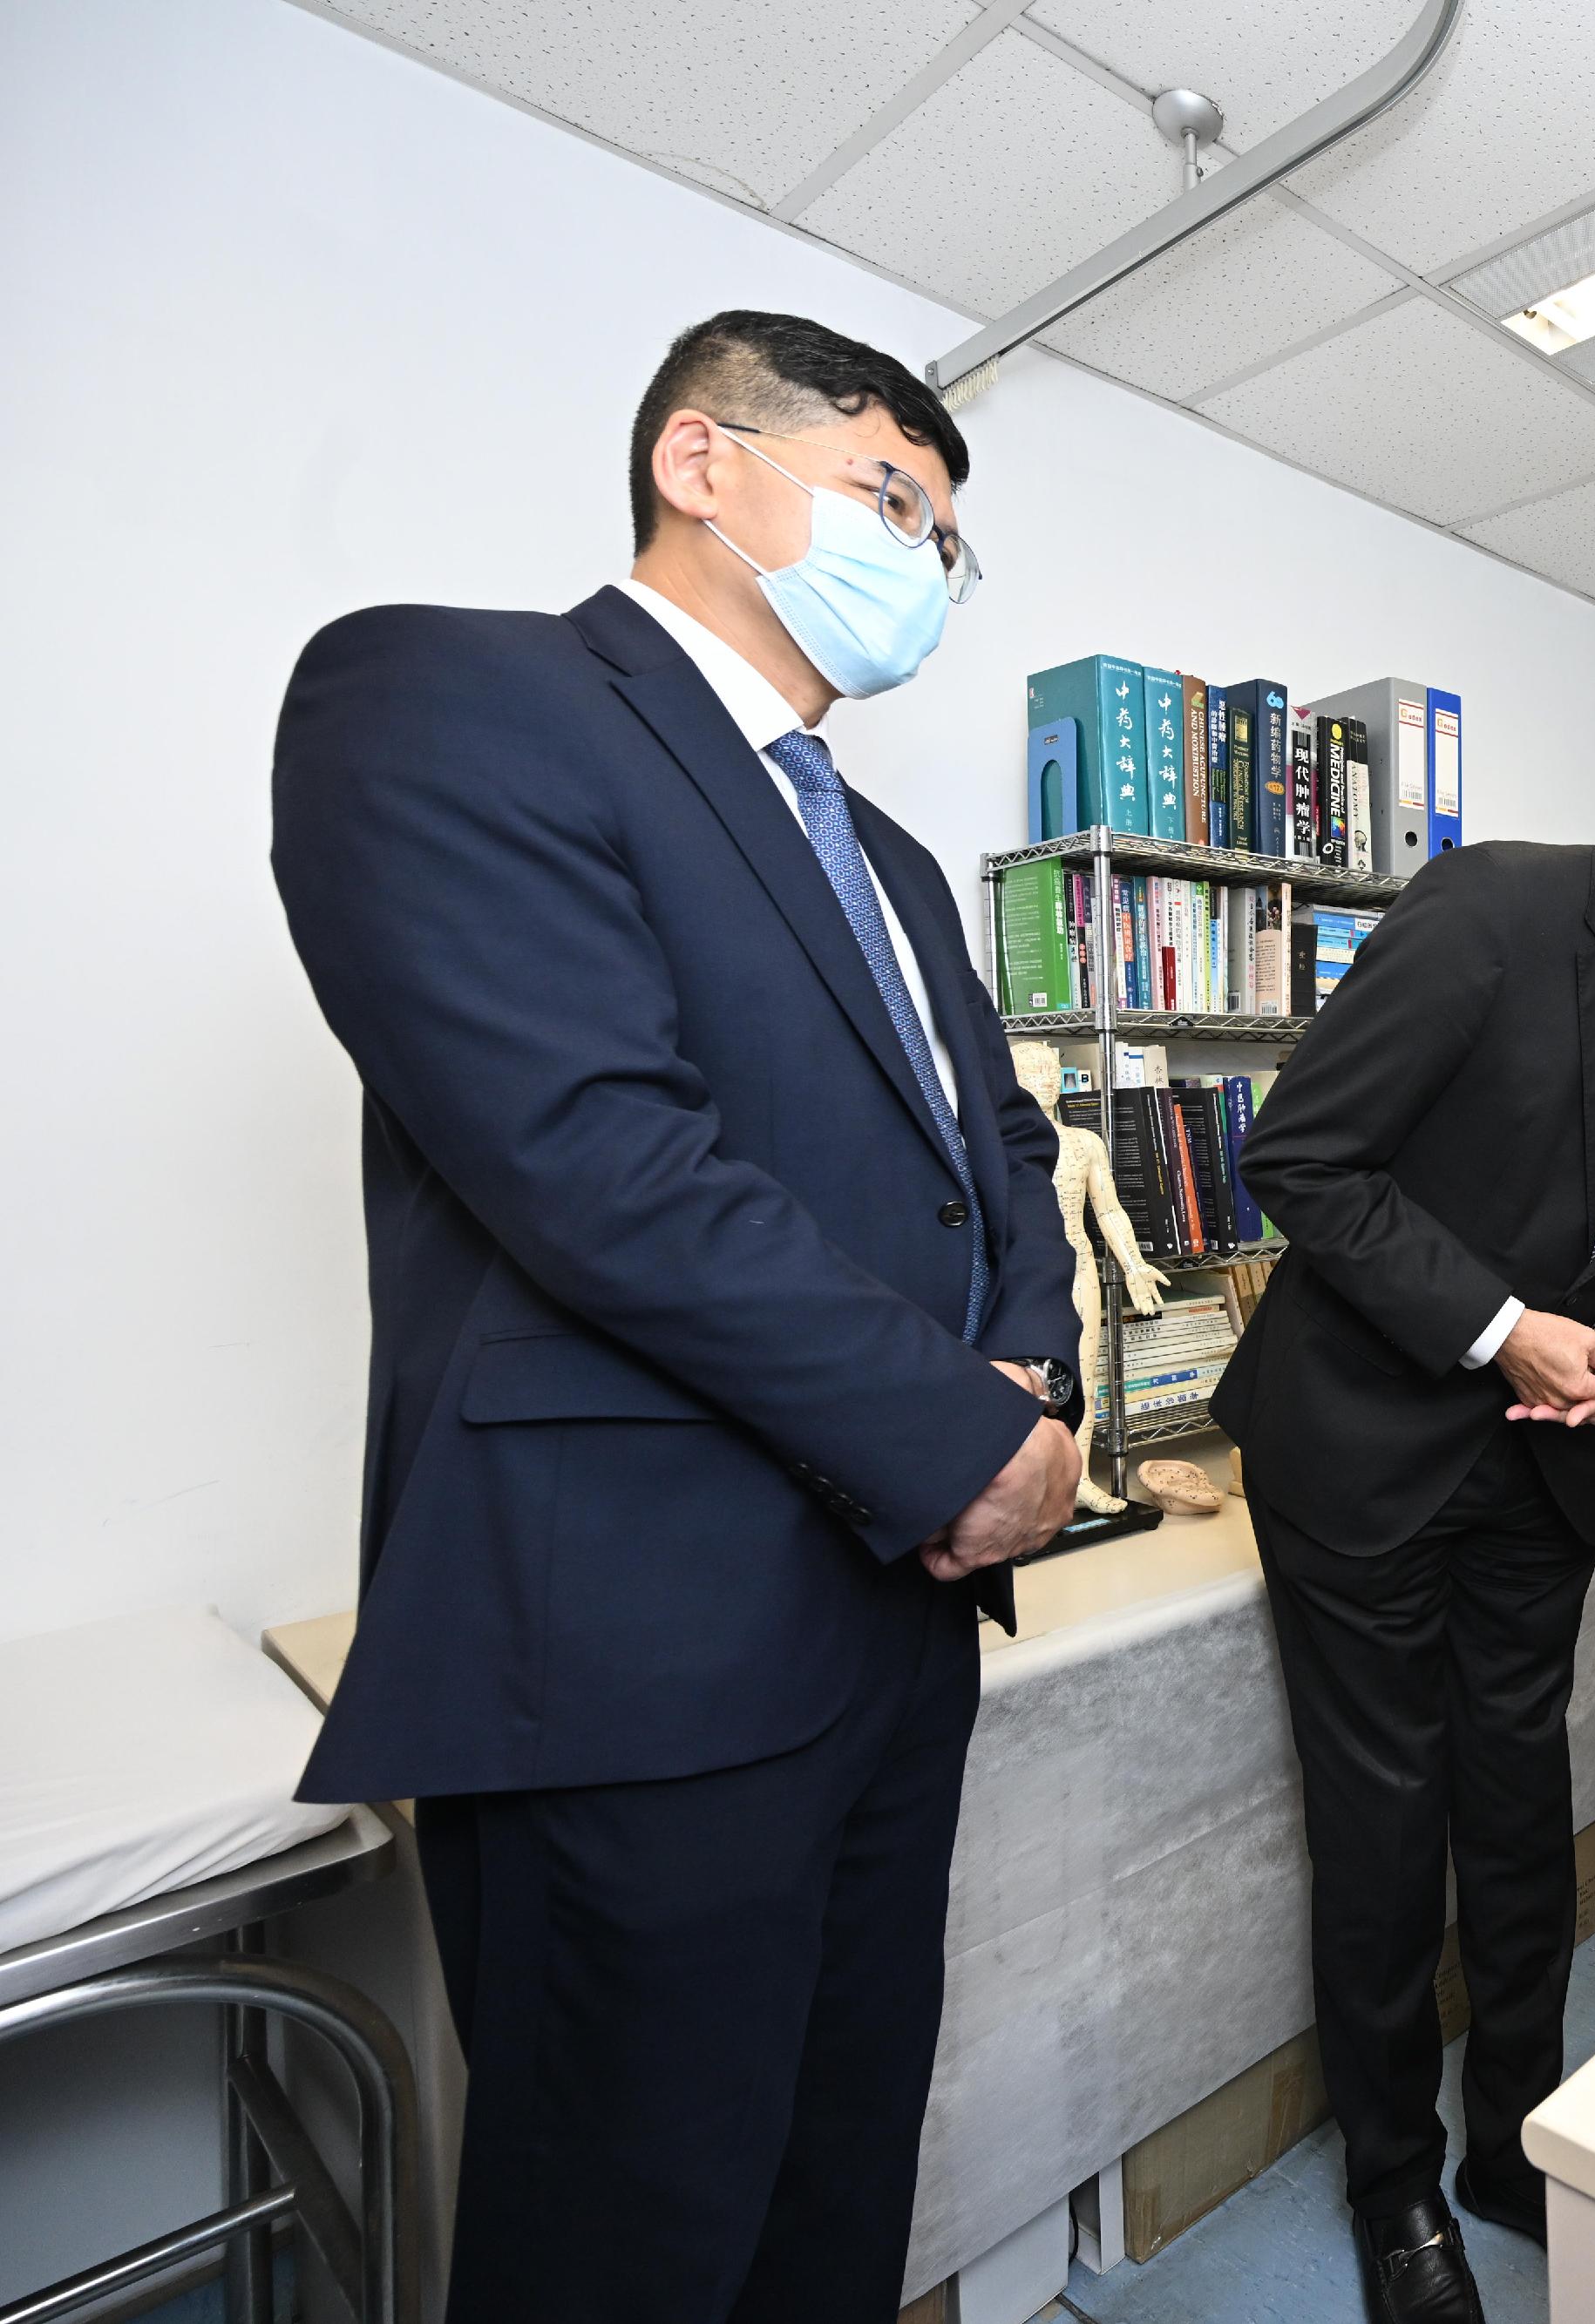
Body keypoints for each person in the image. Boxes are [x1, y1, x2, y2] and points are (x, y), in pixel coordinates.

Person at [269, 310, 1086, 2323]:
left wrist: (1044, 1375)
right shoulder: (450, 696)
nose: (925, 564)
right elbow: (598, 1163)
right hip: (642, 1639)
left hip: (899, 1631)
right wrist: (965, 1438)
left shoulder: (884, 853)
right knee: (631, 2235)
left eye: (945, 540)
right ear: (700, 464)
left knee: (833, 2184)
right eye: (894, 498)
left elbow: (1002, 1148)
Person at [1215, 659, 1595, 2324]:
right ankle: (1394, 2180)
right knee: (1383, 1818)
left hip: (1537, 1457)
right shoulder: (1496, 905)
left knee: (1516, 1803)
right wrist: (1503, 1329)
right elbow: (1298, 1159)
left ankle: (1514, 2137)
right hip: (1363, 1441)